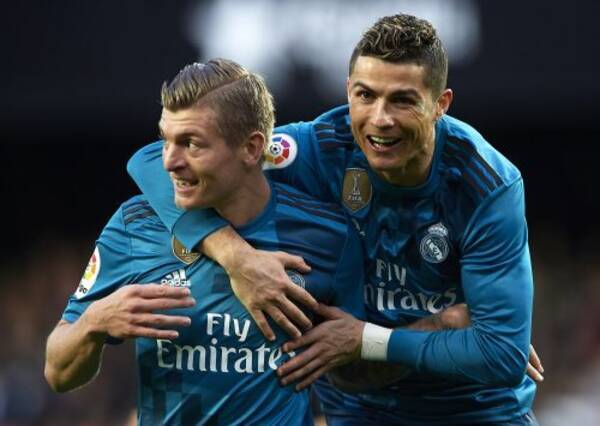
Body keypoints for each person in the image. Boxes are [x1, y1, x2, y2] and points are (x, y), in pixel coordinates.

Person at [127, 14, 539, 425]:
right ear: (348, 92)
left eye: (402, 100)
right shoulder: (322, 149)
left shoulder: (484, 184)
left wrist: (365, 339)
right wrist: (236, 256)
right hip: (360, 410)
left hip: (476, 411)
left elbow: (502, 356)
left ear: (440, 105)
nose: (380, 118)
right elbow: (152, 163)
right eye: (365, 95)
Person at [44, 58, 371, 425]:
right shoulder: (136, 224)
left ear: (251, 148)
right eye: (166, 140)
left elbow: (355, 378)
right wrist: (94, 321)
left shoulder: (328, 235)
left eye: (191, 144)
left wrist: (363, 345)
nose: (170, 162)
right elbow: (58, 372)